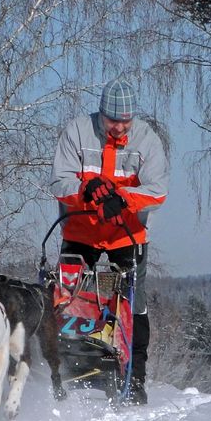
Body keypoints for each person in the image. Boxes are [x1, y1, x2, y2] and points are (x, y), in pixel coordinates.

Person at [50, 77, 169, 404]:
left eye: (124, 121)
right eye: (112, 120)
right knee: (67, 298)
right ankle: (64, 370)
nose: (118, 128)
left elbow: (158, 190)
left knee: (133, 302)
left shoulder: (147, 139)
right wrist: (84, 190)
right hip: (80, 230)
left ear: (134, 118)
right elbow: (59, 182)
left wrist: (124, 198)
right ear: (100, 114)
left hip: (126, 235)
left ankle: (135, 379)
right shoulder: (77, 131)